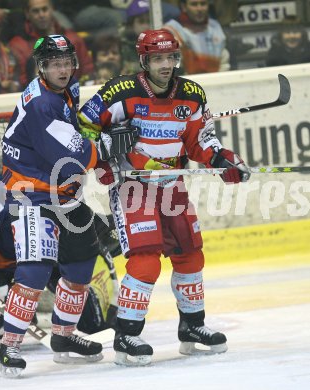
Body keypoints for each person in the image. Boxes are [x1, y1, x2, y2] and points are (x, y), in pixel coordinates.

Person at [78, 29, 251, 365]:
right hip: (133, 185)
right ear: (144, 60)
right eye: (157, 58)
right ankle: (127, 335)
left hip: (172, 184)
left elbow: (199, 141)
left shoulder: (191, 94)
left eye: (170, 57)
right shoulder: (119, 92)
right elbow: (82, 126)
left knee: (190, 253)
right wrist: (106, 154)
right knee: (145, 260)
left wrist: (222, 159)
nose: (165, 64)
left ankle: (192, 327)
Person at [0, 33, 135, 378]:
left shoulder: (66, 90)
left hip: (64, 195)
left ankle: (64, 336)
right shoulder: (43, 102)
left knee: (81, 264)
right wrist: (106, 148)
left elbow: (76, 134)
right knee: (34, 270)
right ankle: (8, 346)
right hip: (31, 196)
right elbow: (72, 153)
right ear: (42, 67)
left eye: (66, 62)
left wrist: (100, 152)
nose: (62, 69)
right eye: (54, 64)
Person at [0, 206, 120, 349]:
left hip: (61, 255)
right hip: (4, 268)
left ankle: (99, 252)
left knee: (97, 322)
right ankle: (23, 309)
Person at [8, 0, 94, 88]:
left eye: (45, 9)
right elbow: (21, 84)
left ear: (52, 10)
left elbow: (88, 72)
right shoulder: (18, 45)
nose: (41, 15)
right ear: (27, 14)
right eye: (36, 11)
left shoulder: (73, 39)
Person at [164, 0, 230, 74]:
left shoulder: (215, 26)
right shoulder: (171, 30)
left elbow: (224, 62)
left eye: (203, 4)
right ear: (184, 7)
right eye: (194, 4)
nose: (199, 9)